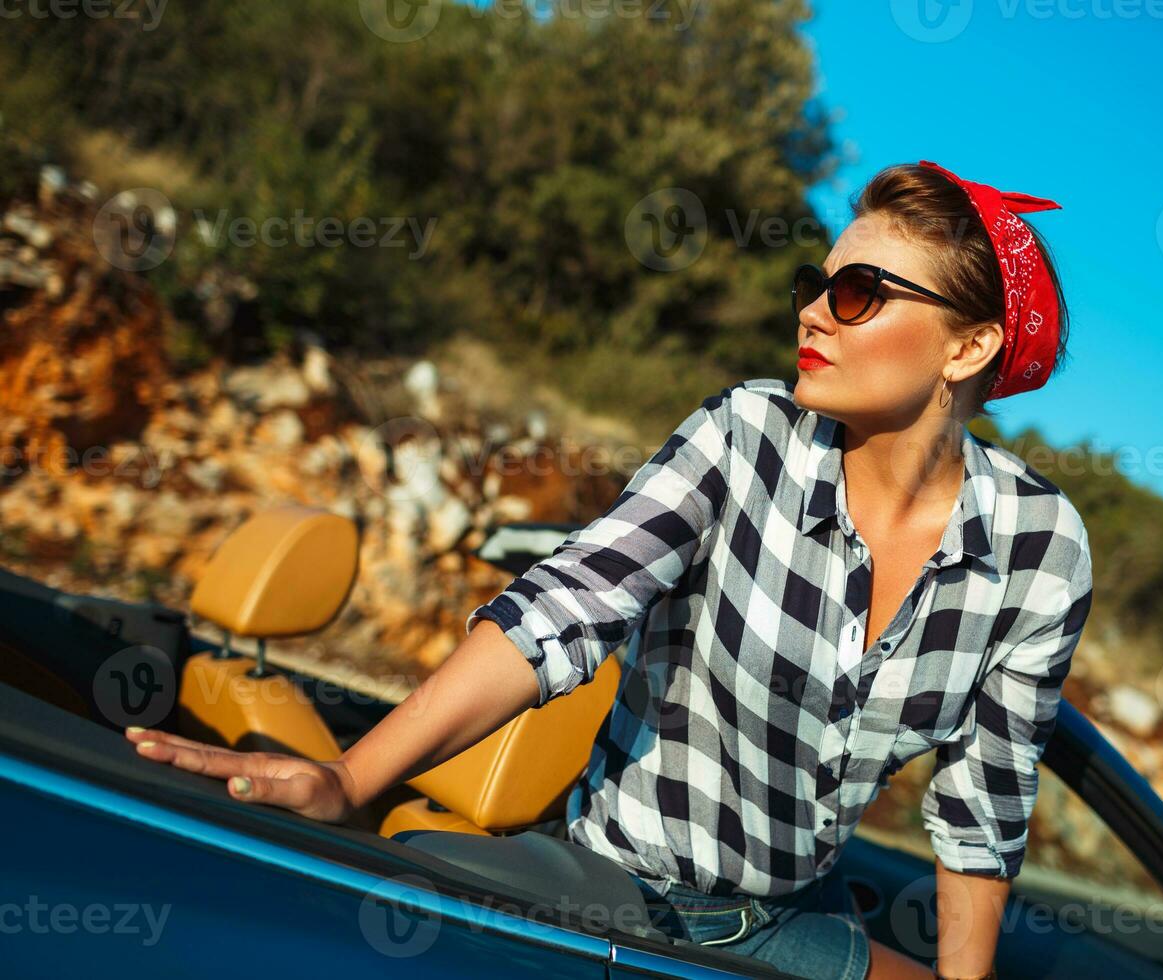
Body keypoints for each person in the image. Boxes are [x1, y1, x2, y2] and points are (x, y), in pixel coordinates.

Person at [125, 160, 1094, 980]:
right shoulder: (746, 434)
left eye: (856, 293)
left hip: (803, 923)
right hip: (618, 907)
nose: (812, 310)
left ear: (969, 346)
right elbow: (568, 605)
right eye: (816, 281)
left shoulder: (1040, 551)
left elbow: (983, 808)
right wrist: (348, 777)